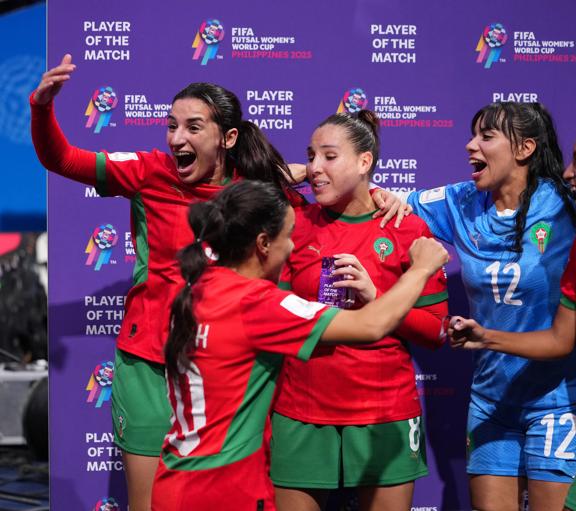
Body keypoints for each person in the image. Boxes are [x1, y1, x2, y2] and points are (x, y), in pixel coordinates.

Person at [31, 55, 415, 511]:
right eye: (171, 126)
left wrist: (377, 191)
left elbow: (324, 177)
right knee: (151, 503)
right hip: (152, 362)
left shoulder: (252, 187)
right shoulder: (148, 171)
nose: (177, 139)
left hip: (232, 366)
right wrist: (42, 108)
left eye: (193, 127)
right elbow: (62, 157)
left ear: (227, 137)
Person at [369, 101, 576, 511]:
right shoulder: (460, 202)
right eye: (472, 134)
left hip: (559, 402)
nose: (469, 146)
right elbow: (382, 201)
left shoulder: (567, 203)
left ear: (525, 149)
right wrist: (306, 173)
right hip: (490, 400)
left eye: (486, 136)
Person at [151, 180, 449, 511]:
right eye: (288, 237)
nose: (293, 247)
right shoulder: (258, 306)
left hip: (175, 481)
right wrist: (420, 269)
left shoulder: (196, 290)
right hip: (227, 489)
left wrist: (371, 189)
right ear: (263, 243)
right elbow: (371, 325)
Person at [270, 110, 449, 511]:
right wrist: (305, 172)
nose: (316, 167)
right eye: (310, 155)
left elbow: (438, 333)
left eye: (329, 156)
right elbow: (244, 182)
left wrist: (378, 298)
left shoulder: (407, 229)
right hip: (300, 409)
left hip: (384, 411)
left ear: (365, 161)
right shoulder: (294, 221)